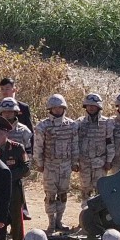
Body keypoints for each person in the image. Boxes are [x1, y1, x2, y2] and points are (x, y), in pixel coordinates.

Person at [35, 95, 78, 232]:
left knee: (63, 194)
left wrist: (74, 162)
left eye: (60, 107)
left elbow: (74, 145)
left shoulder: (71, 125)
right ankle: (51, 223)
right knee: (50, 195)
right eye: (55, 107)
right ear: (50, 109)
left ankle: (59, 220)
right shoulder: (43, 126)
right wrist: (40, 163)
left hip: (65, 165)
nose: (58, 110)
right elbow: (38, 147)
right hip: (50, 165)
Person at [0, 116, 29, 240]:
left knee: (17, 228)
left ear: (6, 133)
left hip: (14, 193)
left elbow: (26, 168)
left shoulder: (17, 148)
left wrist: (8, 176)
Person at [75, 93, 113, 206]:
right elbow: (75, 143)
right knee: (85, 189)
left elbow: (110, 143)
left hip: (100, 162)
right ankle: (85, 216)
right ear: (85, 107)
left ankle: (98, 218)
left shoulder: (107, 123)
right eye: (88, 105)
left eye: (94, 105)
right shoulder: (79, 122)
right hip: (84, 162)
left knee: (100, 190)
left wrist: (109, 161)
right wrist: (75, 161)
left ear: (99, 107)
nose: (91, 108)